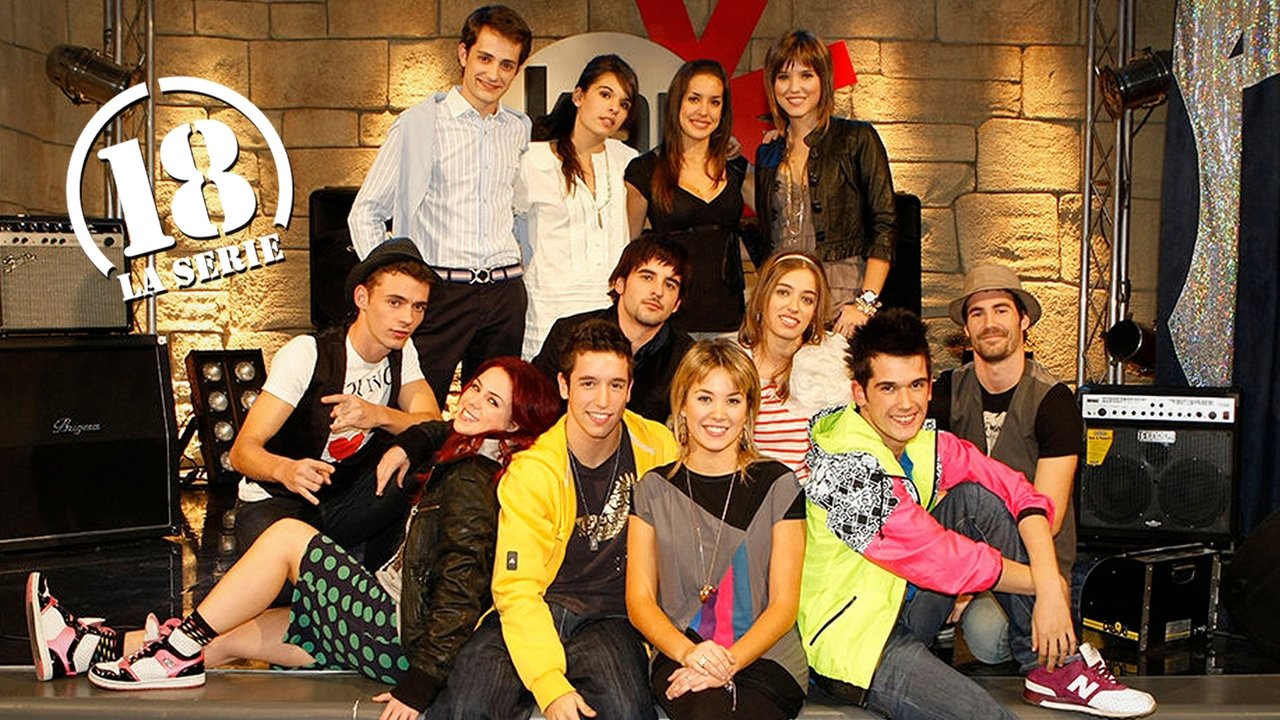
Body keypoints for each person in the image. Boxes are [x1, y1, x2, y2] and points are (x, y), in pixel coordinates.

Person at [26, 358, 561, 720]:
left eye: (492, 401)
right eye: (475, 387)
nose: (472, 402)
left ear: (516, 424)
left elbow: (462, 588)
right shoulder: (474, 455)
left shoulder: (471, 481)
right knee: (235, 635)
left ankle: (177, 649)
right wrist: (413, 441)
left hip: (398, 634)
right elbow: (444, 425)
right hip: (392, 629)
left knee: (287, 537)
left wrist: (421, 684)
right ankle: (79, 649)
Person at [799, 309, 1155, 719]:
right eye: (888, 388)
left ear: (930, 387)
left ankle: (1052, 669)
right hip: (856, 641)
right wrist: (1048, 584)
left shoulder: (926, 443)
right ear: (860, 393)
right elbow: (941, 559)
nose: (906, 403)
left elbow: (1017, 489)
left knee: (976, 499)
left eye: (916, 385)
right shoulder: (845, 466)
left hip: (906, 610)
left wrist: (1046, 579)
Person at [429, 319, 679, 720]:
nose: (603, 401)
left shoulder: (658, 448)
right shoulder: (533, 471)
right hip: (537, 603)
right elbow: (517, 589)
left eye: (616, 385)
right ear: (564, 386)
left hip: (610, 615)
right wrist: (549, 685)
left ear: (630, 389)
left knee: (626, 710)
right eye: (588, 383)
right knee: (468, 705)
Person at [348, 5, 534, 408]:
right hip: (439, 294)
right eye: (485, 58)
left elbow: (519, 208)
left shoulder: (519, 129)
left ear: (517, 70)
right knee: (416, 415)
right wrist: (394, 285)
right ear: (464, 54)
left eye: (506, 65)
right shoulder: (419, 123)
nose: (494, 74)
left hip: (505, 294)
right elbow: (365, 212)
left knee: (494, 418)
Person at [229, 238, 441, 569]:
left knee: (422, 455)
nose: (407, 319)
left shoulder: (403, 350)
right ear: (362, 298)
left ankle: (383, 578)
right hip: (278, 501)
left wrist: (377, 415)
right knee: (294, 580)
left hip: (341, 499)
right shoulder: (307, 353)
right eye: (395, 302)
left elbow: (432, 423)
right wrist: (285, 470)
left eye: (418, 307)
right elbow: (241, 452)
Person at [627, 340, 807, 719]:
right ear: (682, 404)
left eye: (733, 400)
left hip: (765, 656)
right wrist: (689, 653)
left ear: (749, 410)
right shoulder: (652, 490)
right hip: (682, 650)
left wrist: (729, 662)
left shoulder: (778, 484)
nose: (718, 414)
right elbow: (639, 601)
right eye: (705, 398)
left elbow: (783, 605)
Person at [929, 263, 1085, 666]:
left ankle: (1053, 656)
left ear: (1023, 319)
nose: (989, 323)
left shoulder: (1053, 400)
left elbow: (1049, 517)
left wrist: (975, 584)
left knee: (985, 636)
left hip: (1032, 564)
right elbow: (930, 496)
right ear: (966, 329)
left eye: (1001, 310)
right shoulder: (946, 391)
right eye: (977, 313)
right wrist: (963, 580)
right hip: (964, 561)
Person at [755, 29, 897, 337]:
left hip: (842, 300)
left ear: (824, 80)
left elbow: (884, 224)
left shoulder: (856, 139)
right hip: (783, 303)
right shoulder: (768, 151)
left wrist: (865, 303)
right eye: (783, 77)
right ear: (772, 84)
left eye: (806, 75)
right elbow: (768, 233)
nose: (794, 88)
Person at [518, 54, 640, 358]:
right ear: (578, 96)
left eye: (624, 103)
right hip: (547, 312)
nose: (614, 108)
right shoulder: (533, 160)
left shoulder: (628, 161)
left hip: (610, 312)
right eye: (605, 94)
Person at [625, 59, 759, 335]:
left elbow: (783, 219)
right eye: (694, 99)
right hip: (668, 325)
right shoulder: (644, 170)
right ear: (677, 102)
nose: (704, 111)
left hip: (729, 323)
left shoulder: (736, 168)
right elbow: (628, 249)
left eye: (715, 102)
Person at [533, 236, 694, 422]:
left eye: (670, 285)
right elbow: (535, 409)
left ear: (677, 304)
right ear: (620, 283)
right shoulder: (568, 334)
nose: (658, 292)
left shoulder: (685, 357)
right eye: (647, 277)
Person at [737, 251, 851, 482]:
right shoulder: (733, 364)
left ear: (815, 311)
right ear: (763, 297)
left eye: (807, 299)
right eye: (783, 292)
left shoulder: (832, 366)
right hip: (749, 493)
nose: (794, 307)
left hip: (814, 496)